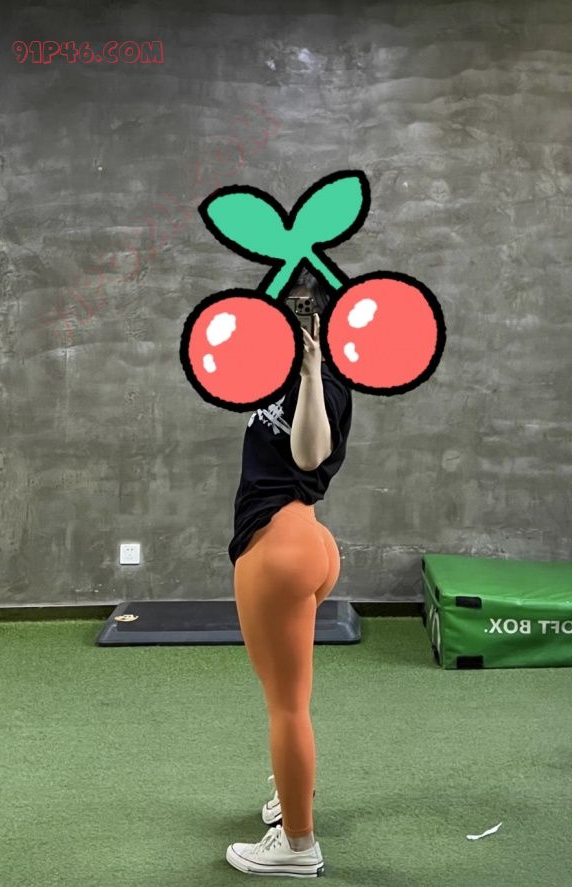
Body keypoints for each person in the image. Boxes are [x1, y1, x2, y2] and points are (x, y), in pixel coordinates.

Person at [225, 267, 353, 877]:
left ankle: (298, 846)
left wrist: (309, 368)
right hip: (300, 538)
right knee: (289, 698)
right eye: (285, 306)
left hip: (282, 550)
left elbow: (309, 454)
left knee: (285, 706)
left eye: (304, 308)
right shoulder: (277, 372)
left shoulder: (324, 382)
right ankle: (291, 794)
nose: (291, 316)